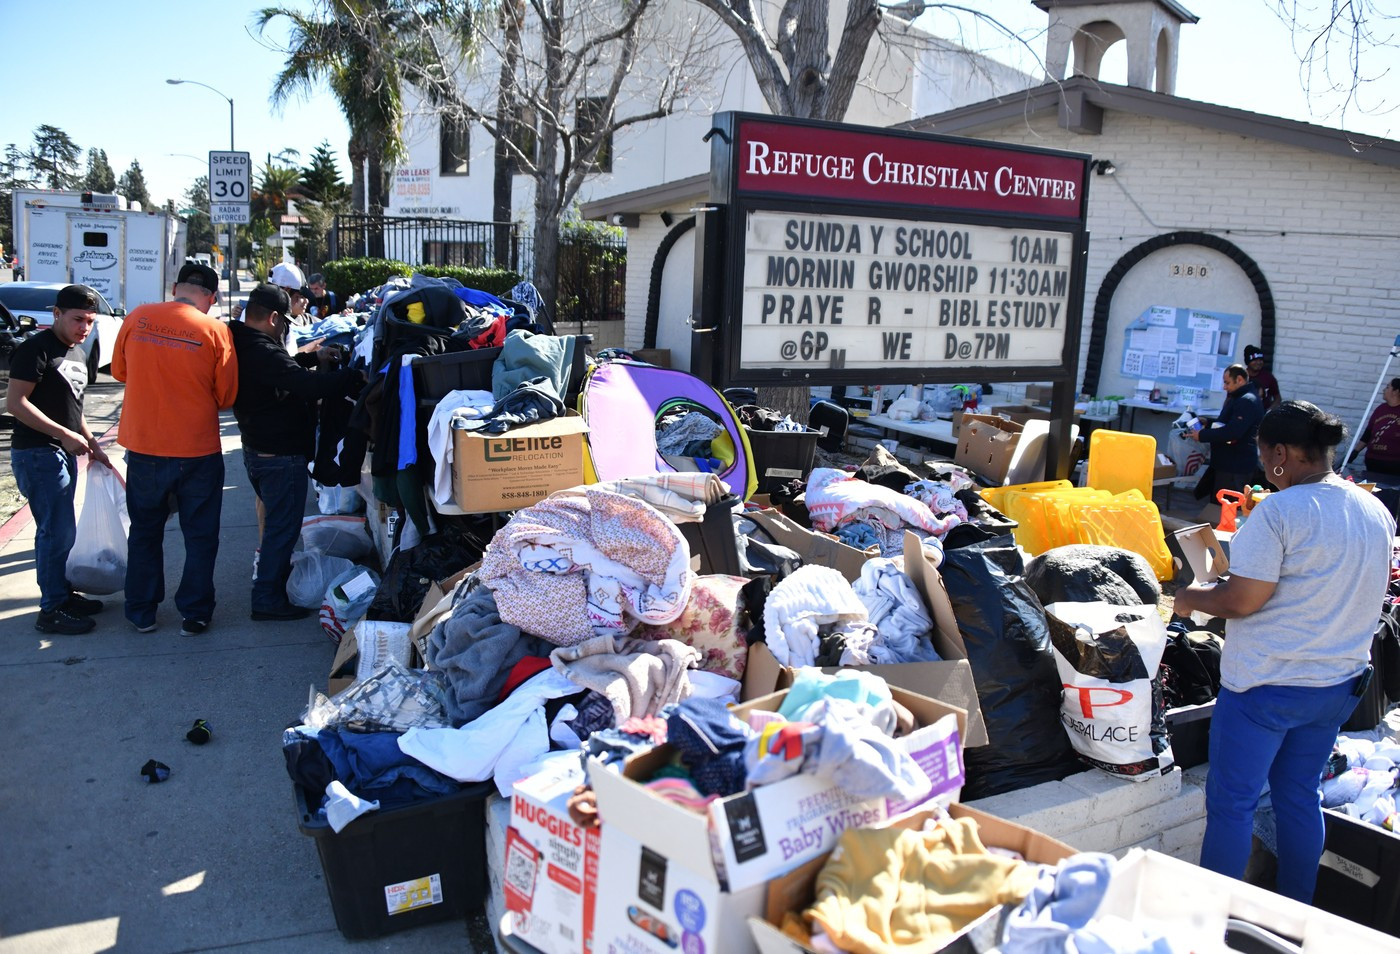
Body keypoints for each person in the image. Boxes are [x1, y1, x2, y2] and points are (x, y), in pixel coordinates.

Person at [1175, 401, 1394, 902]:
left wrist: (1189, 598)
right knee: (1298, 796)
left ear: (1279, 453)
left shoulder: (1278, 511)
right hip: (1337, 686)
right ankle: (1298, 910)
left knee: (1233, 805)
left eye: (1262, 454)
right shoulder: (1373, 507)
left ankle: (1214, 925)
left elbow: (1242, 601)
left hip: (1267, 687)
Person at [112, 261, 238, 636]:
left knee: (145, 531)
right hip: (197, 451)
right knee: (200, 535)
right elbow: (226, 395)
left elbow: (120, 371)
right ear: (211, 298)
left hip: (144, 447)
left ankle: (141, 611)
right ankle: (195, 613)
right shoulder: (216, 331)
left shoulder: (138, 318)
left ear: (175, 288)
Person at [229, 283, 364, 621]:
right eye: (285, 321)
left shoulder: (244, 342)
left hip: (259, 450)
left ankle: (270, 587)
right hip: (279, 455)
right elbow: (305, 385)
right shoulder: (262, 351)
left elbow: (283, 371)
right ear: (274, 318)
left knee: (278, 525)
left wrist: (310, 357)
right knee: (282, 528)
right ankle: (266, 599)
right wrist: (352, 377)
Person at [5, 284, 113, 634]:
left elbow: (73, 406)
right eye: (77, 319)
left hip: (62, 452)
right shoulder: (35, 350)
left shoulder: (77, 352)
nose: (84, 327)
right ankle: (50, 610)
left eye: (90, 321)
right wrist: (63, 435)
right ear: (56, 314)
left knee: (62, 532)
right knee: (57, 532)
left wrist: (91, 440)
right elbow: (16, 403)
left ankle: (62, 594)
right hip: (37, 453)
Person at [1189, 363, 1264, 495]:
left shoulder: (1246, 401)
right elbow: (1227, 424)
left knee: (1227, 507)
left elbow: (1233, 431)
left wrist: (1202, 435)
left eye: (1227, 383)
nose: (1224, 387)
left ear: (1239, 380)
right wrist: (1209, 422)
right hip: (1227, 463)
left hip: (1235, 467)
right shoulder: (1239, 398)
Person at [1350, 377, 1400, 477]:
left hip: (1394, 464)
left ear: (1396, 391)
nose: (1383, 390)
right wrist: (1355, 452)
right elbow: (1368, 433)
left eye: (1387, 387)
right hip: (1373, 461)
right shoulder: (1380, 409)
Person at [1243, 344, 1281, 411]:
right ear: (1248, 362)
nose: (1258, 363)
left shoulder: (1268, 377)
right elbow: (1230, 399)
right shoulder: (1240, 376)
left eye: (1260, 360)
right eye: (1255, 360)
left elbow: (1277, 398)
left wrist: (1268, 411)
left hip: (1262, 416)